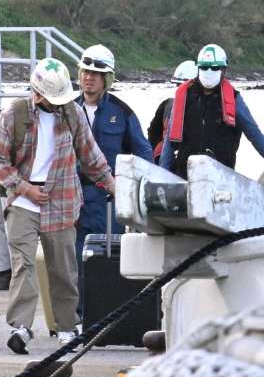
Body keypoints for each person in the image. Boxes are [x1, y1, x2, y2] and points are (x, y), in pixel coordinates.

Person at [0, 58, 115, 354]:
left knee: (64, 269)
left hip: (62, 199)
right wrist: (25, 189)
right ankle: (21, 326)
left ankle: (67, 327)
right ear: (37, 92)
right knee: (24, 264)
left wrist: (110, 183)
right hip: (23, 201)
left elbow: (90, 153)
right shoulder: (14, 114)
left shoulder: (73, 113)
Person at [72, 44, 151, 323]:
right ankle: (80, 317)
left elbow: (142, 153)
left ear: (107, 79)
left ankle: (109, 316)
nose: (89, 78)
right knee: (75, 261)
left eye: (96, 73)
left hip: (109, 200)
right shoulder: (67, 109)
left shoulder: (122, 112)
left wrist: (134, 190)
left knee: (112, 257)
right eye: (85, 72)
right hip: (75, 198)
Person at [158, 43, 264, 176]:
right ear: (198, 68)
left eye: (214, 68)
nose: (209, 71)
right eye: (204, 67)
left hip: (221, 176)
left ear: (223, 70)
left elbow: (254, 134)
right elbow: (169, 139)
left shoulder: (234, 99)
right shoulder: (184, 96)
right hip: (185, 175)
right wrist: (162, 174)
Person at [149, 61, 196, 152]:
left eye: (183, 86)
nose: (180, 90)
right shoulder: (166, 106)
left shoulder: (207, 110)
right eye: (178, 85)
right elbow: (153, 134)